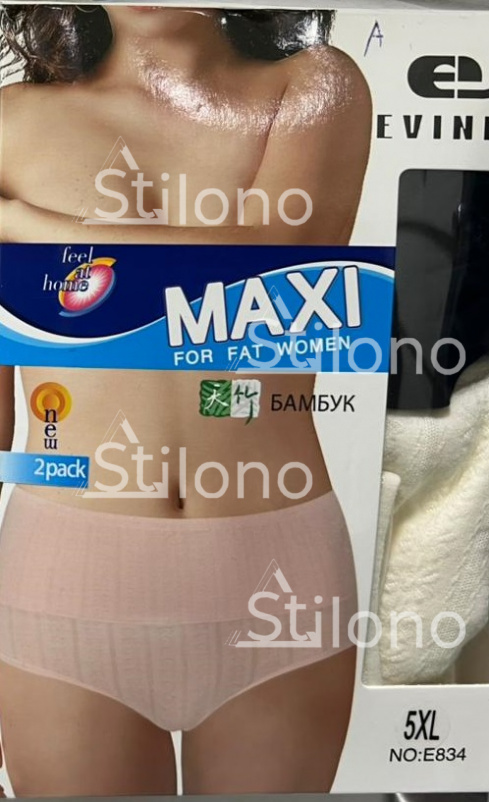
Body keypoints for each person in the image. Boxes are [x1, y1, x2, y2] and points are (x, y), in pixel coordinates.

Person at [0, 4, 372, 795]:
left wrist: (27, 223)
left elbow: (270, 264)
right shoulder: (8, 120)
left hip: (275, 577)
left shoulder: (312, 84)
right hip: (64, 577)